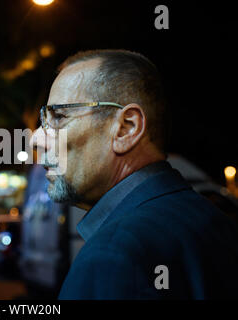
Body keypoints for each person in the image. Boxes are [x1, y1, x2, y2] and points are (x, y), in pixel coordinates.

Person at [31, 49, 238, 299]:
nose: (37, 138)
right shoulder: (216, 223)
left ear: (126, 128)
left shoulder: (114, 256)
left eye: (59, 117)